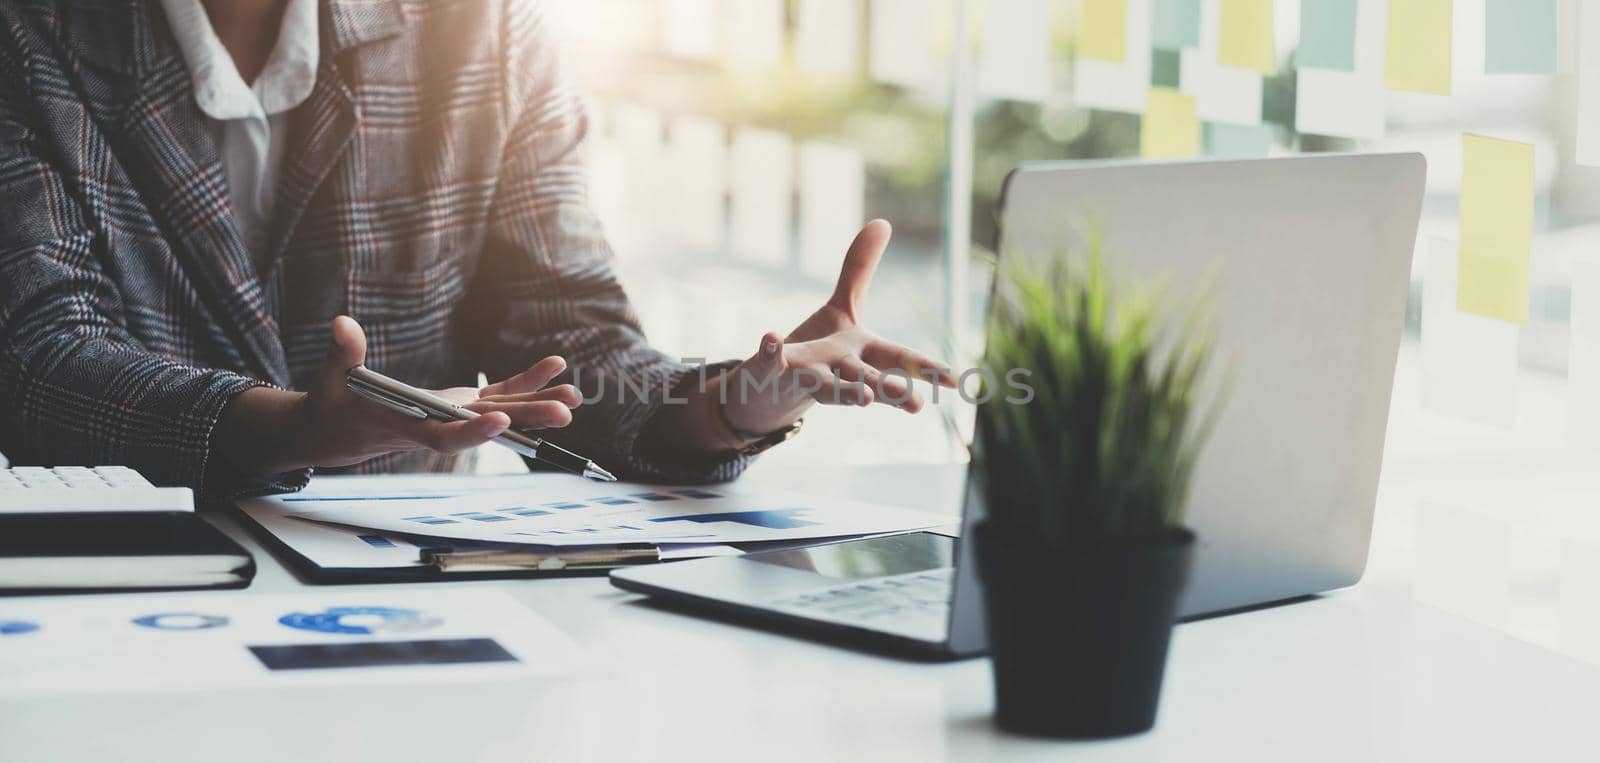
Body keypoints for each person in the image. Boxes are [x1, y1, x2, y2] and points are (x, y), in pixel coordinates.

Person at [0, 0, 954, 496]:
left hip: (402, 604)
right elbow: (38, 358)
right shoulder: (29, 29)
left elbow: (567, 332)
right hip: (110, 589)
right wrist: (295, 426)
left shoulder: (482, 29)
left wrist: (727, 407)